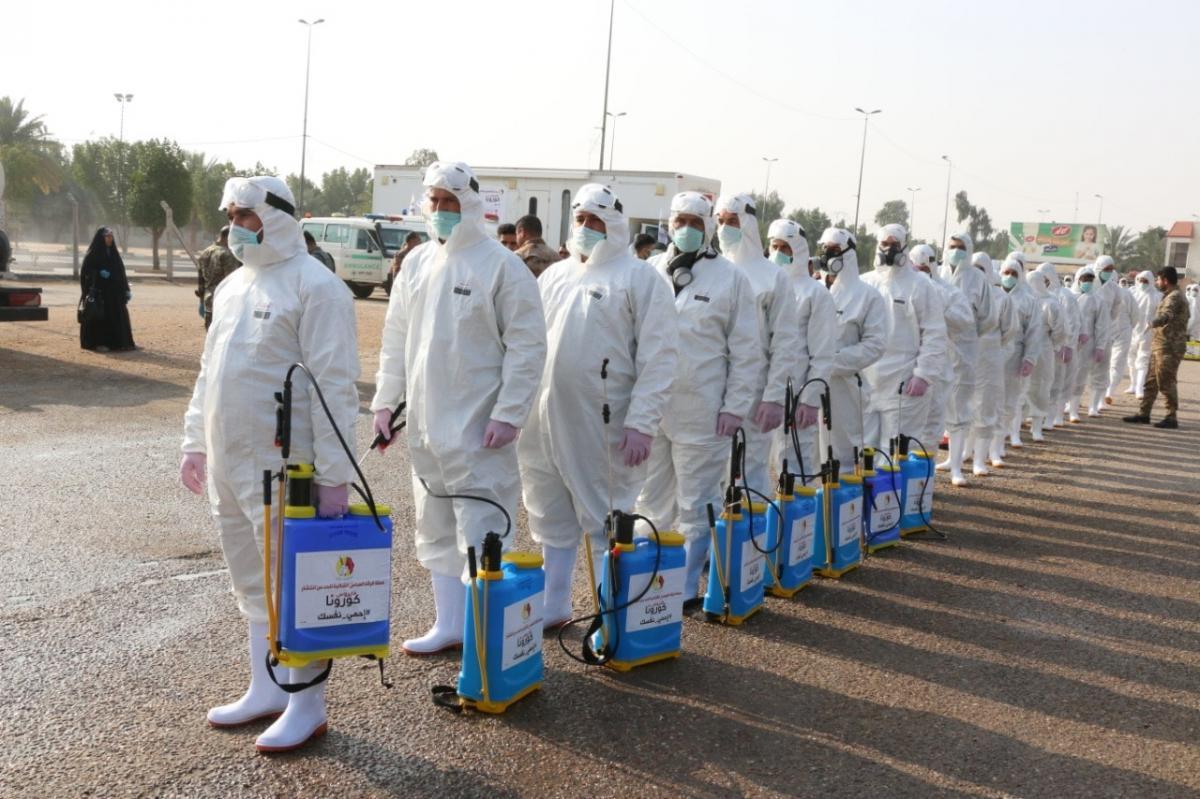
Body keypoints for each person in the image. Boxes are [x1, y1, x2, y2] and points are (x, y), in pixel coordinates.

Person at [179, 175, 358, 752]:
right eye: (231, 215)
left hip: (286, 467)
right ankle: (266, 687)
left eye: (246, 216)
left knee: (293, 583)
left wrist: (335, 477)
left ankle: (307, 704)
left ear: (277, 216)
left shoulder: (317, 287)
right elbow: (210, 371)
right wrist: (194, 441)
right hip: (230, 460)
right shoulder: (233, 286)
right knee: (250, 578)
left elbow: (335, 389)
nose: (235, 226)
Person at [370, 161, 546, 654]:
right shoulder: (417, 263)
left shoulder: (502, 266)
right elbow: (396, 340)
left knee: (481, 528)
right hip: (427, 426)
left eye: (450, 201)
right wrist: (386, 403)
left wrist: (509, 412)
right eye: (435, 201)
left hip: (477, 427)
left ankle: (482, 634)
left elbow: (527, 346)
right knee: (435, 525)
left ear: (469, 204)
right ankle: (448, 623)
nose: (441, 210)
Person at [519, 184, 678, 625]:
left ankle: (610, 614)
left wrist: (642, 422)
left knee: (604, 516)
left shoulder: (640, 279)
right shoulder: (555, 276)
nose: (586, 228)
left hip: (603, 422)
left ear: (614, 224)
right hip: (544, 418)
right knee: (549, 511)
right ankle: (555, 604)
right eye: (580, 219)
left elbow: (660, 356)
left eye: (595, 220)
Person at [635, 191, 760, 604]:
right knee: (650, 499)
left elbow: (747, 350)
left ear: (707, 227)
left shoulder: (730, 278)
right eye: (680, 221)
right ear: (669, 224)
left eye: (695, 222)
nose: (686, 229)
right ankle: (647, 579)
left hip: (702, 409)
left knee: (696, 501)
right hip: (652, 407)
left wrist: (734, 407)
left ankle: (686, 586)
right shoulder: (650, 270)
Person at [715, 193, 800, 498]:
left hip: (754, 392)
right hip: (711, 388)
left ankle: (754, 529)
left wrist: (774, 397)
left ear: (748, 223)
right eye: (720, 221)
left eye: (732, 221)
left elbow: (785, 341)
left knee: (749, 472)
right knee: (712, 472)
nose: (725, 228)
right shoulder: (711, 271)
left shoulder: (773, 277)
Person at [860, 224, 947, 460]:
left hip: (903, 382)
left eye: (894, 244)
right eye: (884, 244)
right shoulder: (865, 283)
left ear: (904, 247)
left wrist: (923, 374)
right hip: (867, 381)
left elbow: (935, 333)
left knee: (896, 451)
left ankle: (896, 487)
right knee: (864, 449)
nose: (889, 249)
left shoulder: (920, 284)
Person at [766, 218, 835, 482]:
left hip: (795, 393)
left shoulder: (815, 294)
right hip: (762, 392)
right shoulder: (763, 285)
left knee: (792, 463)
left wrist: (809, 399)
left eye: (785, 248)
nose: (779, 254)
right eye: (775, 247)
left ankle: (798, 509)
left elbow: (823, 353)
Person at [819, 227, 887, 473]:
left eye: (835, 250)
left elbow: (875, 344)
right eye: (825, 249)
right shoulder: (813, 289)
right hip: (807, 383)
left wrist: (832, 362)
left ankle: (845, 494)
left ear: (848, 254)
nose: (828, 255)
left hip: (844, 386)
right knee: (806, 450)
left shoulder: (867, 296)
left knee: (843, 453)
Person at [936, 231, 991, 486]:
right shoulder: (939, 274)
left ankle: (957, 467)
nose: (955, 251)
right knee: (936, 408)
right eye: (952, 246)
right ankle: (946, 459)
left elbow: (987, 316)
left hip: (964, 351)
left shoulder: (977, 279)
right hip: (936, 349)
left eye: (960, 247)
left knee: (959, 408)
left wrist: (968, 333)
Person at [911, 244, 973, 456]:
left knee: (932, 424)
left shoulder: (948, 292)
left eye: (925, 268)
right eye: (917, 269)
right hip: (905, 366)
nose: (922, 273)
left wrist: (938, 308)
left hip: (937, 364)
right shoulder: (903, 288)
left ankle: (925, 472)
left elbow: (965, 321)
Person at [1123, 267, 1190, 428]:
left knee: (1166, 381)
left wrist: (1153, 322)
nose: (1157, 282)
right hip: (1160, 344)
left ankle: (1171, 417)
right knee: (1151, 381)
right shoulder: (1169, 295)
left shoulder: (1174, 297)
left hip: (1170, 346)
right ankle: (1144, 414)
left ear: (1165, 280)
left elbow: (1167, 314)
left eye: (1159, 279)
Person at [968, 252, 1016, 472]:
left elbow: (1009, 333)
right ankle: (961, 454)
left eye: (981, 269)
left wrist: (995, 355)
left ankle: (980, 459)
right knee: (962, 407)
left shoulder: (1001, 298)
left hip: (989, 361)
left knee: (986, 408)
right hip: (964, 359)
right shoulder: (960, 293)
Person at [997, 258, 1044, 453]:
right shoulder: (992, 295)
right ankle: (987, 444)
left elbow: (1034, 332)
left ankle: (1006, 437)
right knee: (988, 399)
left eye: (1014, 274)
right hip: (991, 353)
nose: (1009, 277)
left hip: (1015, 355)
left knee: (1012, 399)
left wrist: (1029, 358)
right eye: (1006, 273)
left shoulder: (1028, 300)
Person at [1024, 267, 1068, 442]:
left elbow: (1059, 329)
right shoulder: (1024, 301)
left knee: (1041, 387)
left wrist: (1055, 345)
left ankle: (1037, 426)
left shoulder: (1051, 304)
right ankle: (1016, 425)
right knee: (1022, 387)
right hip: (1024, 348)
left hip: (1043, 349)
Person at [79, 226, 136, 352]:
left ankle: (121, 343)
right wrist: (98, 273)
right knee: (100, 318)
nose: (110, 239)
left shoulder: (114, 254)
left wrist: (126, 289)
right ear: (101, 238)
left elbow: (121, 272)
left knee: (118, 316)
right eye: (107, 236)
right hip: (100, 294)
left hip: (115, 293)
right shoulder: (93, 254)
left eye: (111, 236)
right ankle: (99, 343)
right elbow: (85, 271)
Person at [1040, 263, 1080, 428]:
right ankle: (1039, 416)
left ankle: (1056, 416)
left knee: (1059, 382)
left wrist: (1067, 345)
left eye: (1045, 278)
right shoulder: (1037, 294)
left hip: (1059, 346)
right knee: (1041, 383)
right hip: (1042, 347)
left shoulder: (1065, 296)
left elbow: (1072, 322)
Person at [1068, 266, 1109, 423]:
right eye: (1085, 279)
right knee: (1065, 376)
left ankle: (1074, 410)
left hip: (1087, 345)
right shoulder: (1068, 296)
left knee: (1080, 375)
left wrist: (1100, 346)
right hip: (1068, 343)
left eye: (1091, 279)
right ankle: (1063, 406)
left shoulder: (1097, 300)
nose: (1088, 282)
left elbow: (1102, 325)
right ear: (1078, 280)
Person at [195, 226, 240, 330]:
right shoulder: (227, 255)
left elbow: (200, 280)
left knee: (210, 333)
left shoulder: (205, 252)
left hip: (208, 301)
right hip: (223, 302)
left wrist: (201, 300)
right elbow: (232, 281)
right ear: (228, 237)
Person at [1104, 259, 1136, 403]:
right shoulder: (1100, 293)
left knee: (1115, 363)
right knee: (1109, 364)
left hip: (1120, 332)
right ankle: (1104, 392)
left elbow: (1135, 315)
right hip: (1109, 332)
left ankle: (1108, 392)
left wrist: (1127, 328)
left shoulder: (1125, 294)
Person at [1126, 270, 1160, 397]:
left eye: (1145, 281)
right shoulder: (1132, 293)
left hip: (1147, 331)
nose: (1142, 283)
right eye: (1140, 280)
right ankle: (1133, 384)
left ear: (1151, 282)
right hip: (1132, 330)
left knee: (1143, 359)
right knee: (1131, 359)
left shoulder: (1157, 296)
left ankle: (1140, 387)